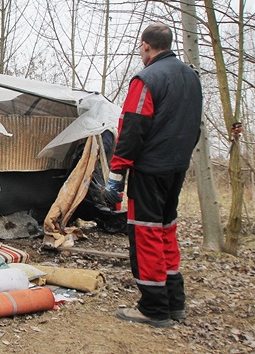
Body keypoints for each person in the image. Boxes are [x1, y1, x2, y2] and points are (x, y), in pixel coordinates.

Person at [104, 23, 202, 327]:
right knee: (165, 230)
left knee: (145, 234)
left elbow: (133, 127)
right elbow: (194, 127)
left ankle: (153, 308)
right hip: (177, 168)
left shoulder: (146, 79)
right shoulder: (192, 78)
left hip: (150, 170)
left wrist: (116, 175)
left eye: (140, 47)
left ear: (146, 45)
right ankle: (175, 302)